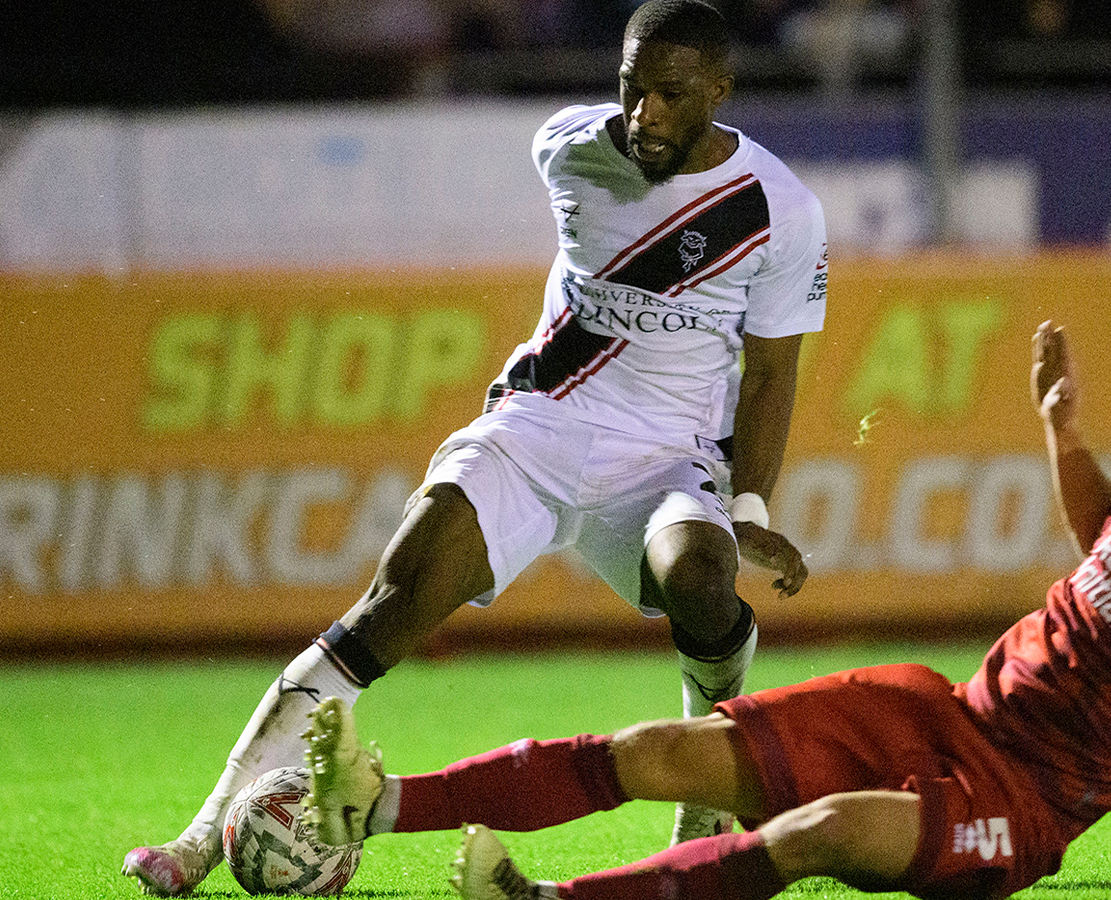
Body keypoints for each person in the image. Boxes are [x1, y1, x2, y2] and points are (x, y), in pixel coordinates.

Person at [122, 1, 826, 893]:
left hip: (668, 457)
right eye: (631, 87)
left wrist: (747, 509)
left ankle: (708, 788)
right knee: (395, 598)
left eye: (671, 95)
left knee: (699, 576)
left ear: (719, 92)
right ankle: (195, 840)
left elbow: (769, 378)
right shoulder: (569, 148)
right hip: (538, 427)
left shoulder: (778, 210)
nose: (643, 113)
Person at [298, 320, 1111, 900]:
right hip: (943, 712)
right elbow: (1102, 528)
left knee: (818, 831)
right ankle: (376, 804)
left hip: (1025, 807)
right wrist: (1060, 432)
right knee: (661, 749)